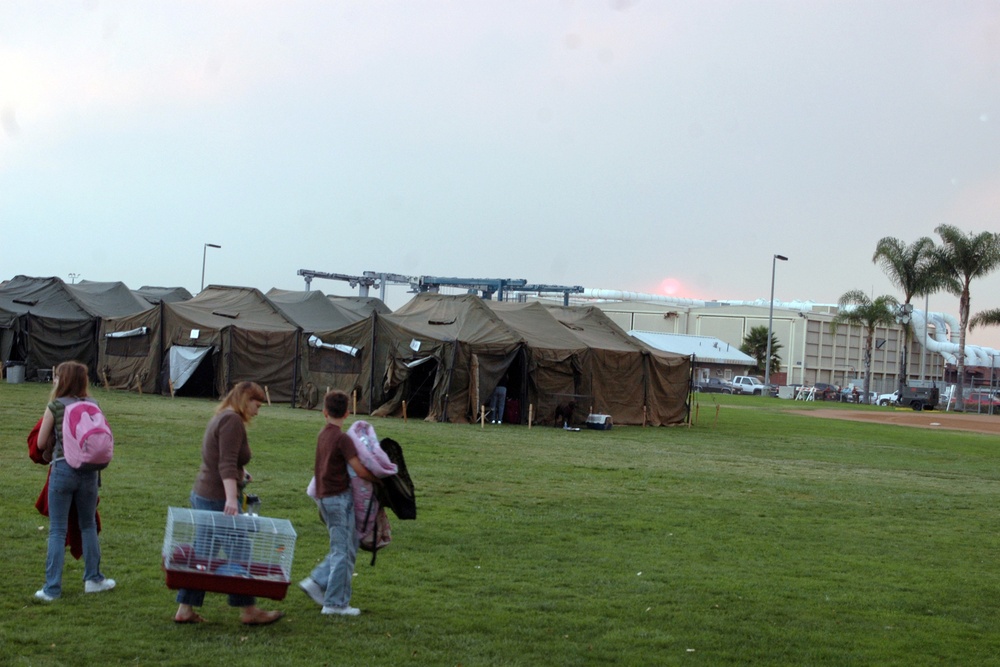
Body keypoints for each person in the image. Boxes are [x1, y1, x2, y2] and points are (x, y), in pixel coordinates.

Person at [173, 381, 284, 625]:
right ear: (246, 400)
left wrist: (240, 475)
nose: (258, 410)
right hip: (216, 498)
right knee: (240, 551)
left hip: (206, 492)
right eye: (257, 404)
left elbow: (221, 460)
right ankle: (249, 610)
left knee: (204, 553)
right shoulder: (232, 421)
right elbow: (225, 463)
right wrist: (232, 499)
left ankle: (185, 608)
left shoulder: (223, 416)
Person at [34, 360, 115, 601]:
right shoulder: (93, 404)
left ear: (64, 379)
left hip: (62, 469)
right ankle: (93, 578)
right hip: (90, 473)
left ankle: (52, 589)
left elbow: (40, 443)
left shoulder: (55, 406)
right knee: (88, 525)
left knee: (58, 530)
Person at [299, 390, 375, 616]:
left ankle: (317, 582)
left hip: (324, 497)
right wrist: (377, 479)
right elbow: (359, 469)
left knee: (347, 545)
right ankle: (335, 603)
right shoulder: (343, 439)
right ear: (348, 412)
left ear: (324, 412)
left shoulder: (323, 434)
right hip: (338, 499)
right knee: (343, 551)